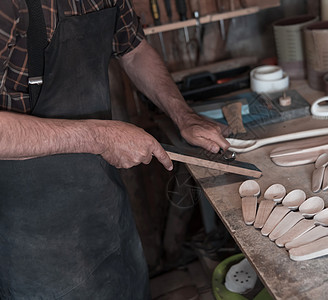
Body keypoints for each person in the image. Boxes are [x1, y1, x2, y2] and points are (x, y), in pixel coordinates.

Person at [0, 0, 230, 298]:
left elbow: (134, 50)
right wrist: (99, 138)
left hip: (105, 207)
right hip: (33, 234)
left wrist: (184, 116)